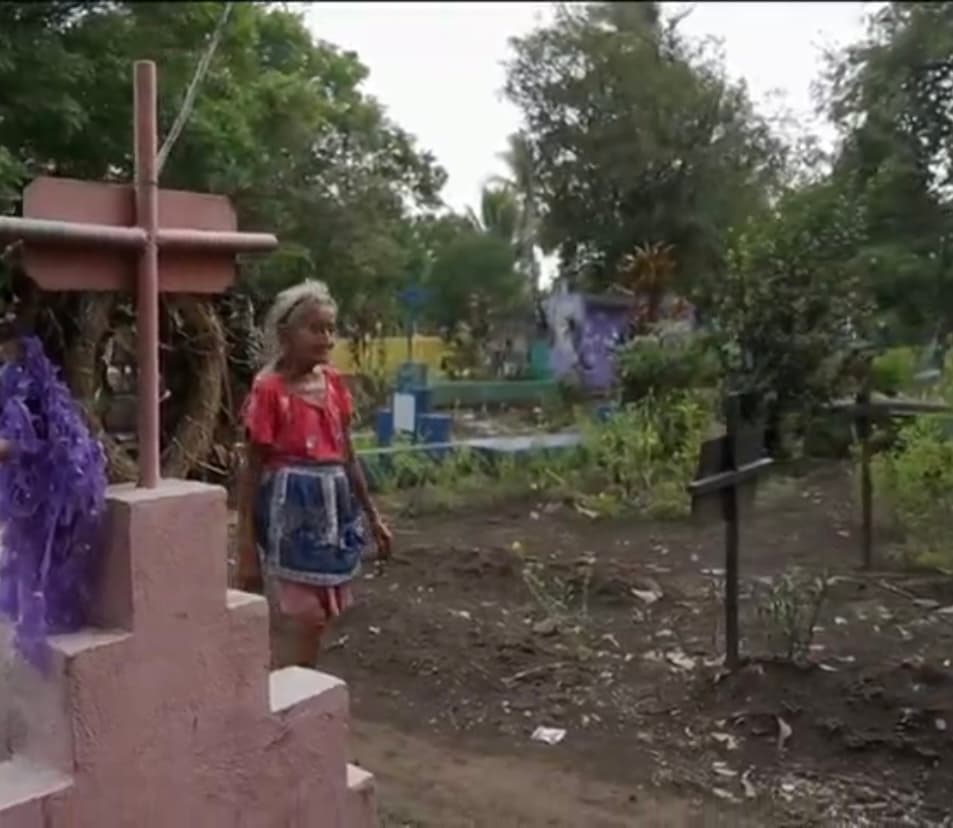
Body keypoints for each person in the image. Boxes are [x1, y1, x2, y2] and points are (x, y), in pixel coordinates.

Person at [235, 280, 392, 669]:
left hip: (334, 513)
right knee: (303, 615)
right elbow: (252, 469)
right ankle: (284, 689)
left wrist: (373, 516)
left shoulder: (333, 384)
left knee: (324, 614)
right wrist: (245, 548)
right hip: (292, 515)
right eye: (315, 328)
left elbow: (347, 454)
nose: (325, 338)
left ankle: (301, 686)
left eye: (330, 329)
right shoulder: (269, 390)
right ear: (287, 334)